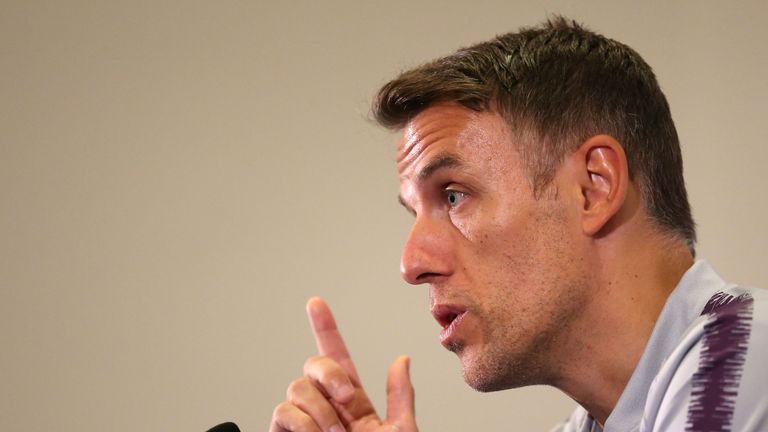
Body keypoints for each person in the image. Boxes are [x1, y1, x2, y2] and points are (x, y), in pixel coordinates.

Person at [269, 16, 768, 432]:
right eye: (414, 212)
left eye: (454, 195)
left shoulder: (744, 365)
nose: (411, 263)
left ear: (593, 186)